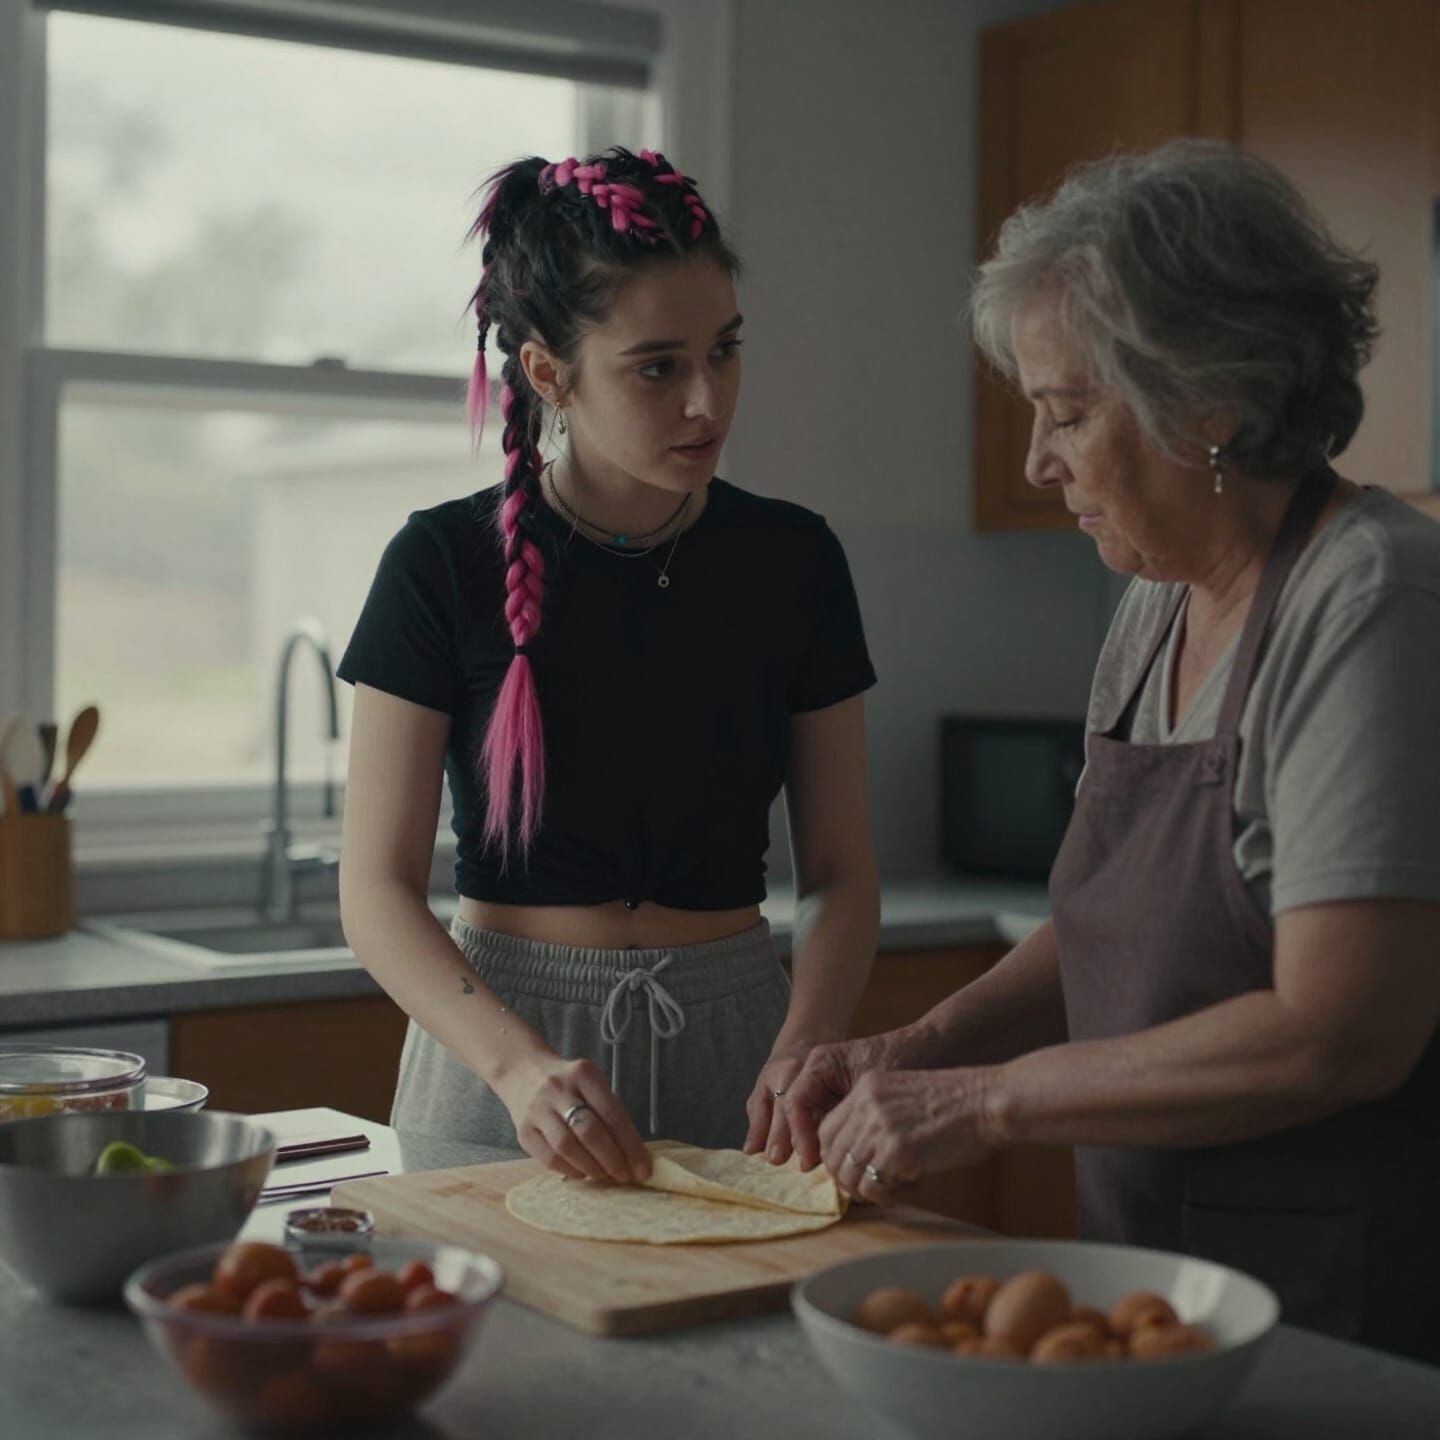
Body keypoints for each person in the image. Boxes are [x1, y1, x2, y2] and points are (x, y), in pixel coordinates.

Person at [780, 140, 1440, 1363]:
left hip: (1345, 1307)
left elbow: (1342, 1030)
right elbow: (1116, 937)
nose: (1038, 461)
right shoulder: (1157, 599)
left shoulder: (1372, 600)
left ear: (1208, 404)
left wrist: (981, 1101)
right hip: (1155, 1284)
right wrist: (916, 1048)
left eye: (1068, 412)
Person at [337, 147, 880, 1188]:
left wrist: (807, 1038)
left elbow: (845, 875)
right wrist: (518, 1066)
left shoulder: (795, 561)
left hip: (746, 1048)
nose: (705, 401)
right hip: (504, 1059)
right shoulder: (439, 564)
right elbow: (374, 889)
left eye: (725, 352)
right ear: (549, 373)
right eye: (658, 366)